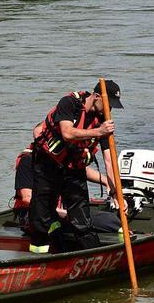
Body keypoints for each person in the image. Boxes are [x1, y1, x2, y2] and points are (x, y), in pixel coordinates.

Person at [28, 80, 123, 253]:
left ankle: (94, 257)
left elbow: (109, 161)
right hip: (48, 166)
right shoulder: (69, 103)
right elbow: (67, 133)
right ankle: (36, 258)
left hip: (74, 170)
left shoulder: (102, 121)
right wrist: (98, 131)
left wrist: (116, 191)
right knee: (41, 218)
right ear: (96, 97)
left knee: (82, 220)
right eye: (109, 105)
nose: (111, 111)